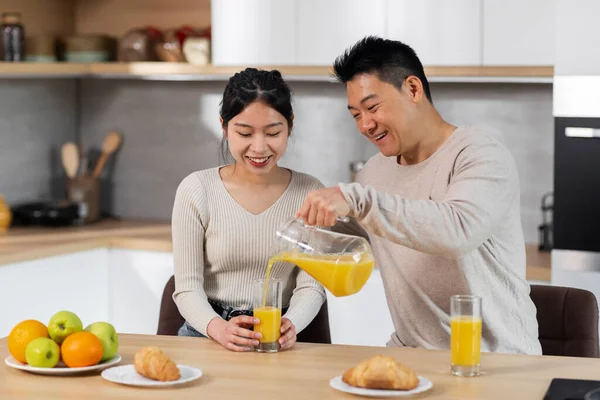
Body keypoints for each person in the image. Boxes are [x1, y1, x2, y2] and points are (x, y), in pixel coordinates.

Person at [296, 36, 542, 355]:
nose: (365, 125)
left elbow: (456, 231)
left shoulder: (481, 156)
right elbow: (370, 232)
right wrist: (303, 221)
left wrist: (357, 198)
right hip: (412, 355)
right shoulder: (373, 172)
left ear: (413, 89)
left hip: (498, 363)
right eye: (355, 114)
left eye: (372, 107)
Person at [172, 67, 326, 352]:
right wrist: (219, 329)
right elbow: (187, 288)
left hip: (277, 335)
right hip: (207, 334)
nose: (259, 148)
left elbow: (311, 285)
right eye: (244, 133)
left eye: (273, 133)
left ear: (290, 125)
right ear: (224, 127)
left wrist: (291, 323)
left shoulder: (310, 193)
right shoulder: (196, 189)